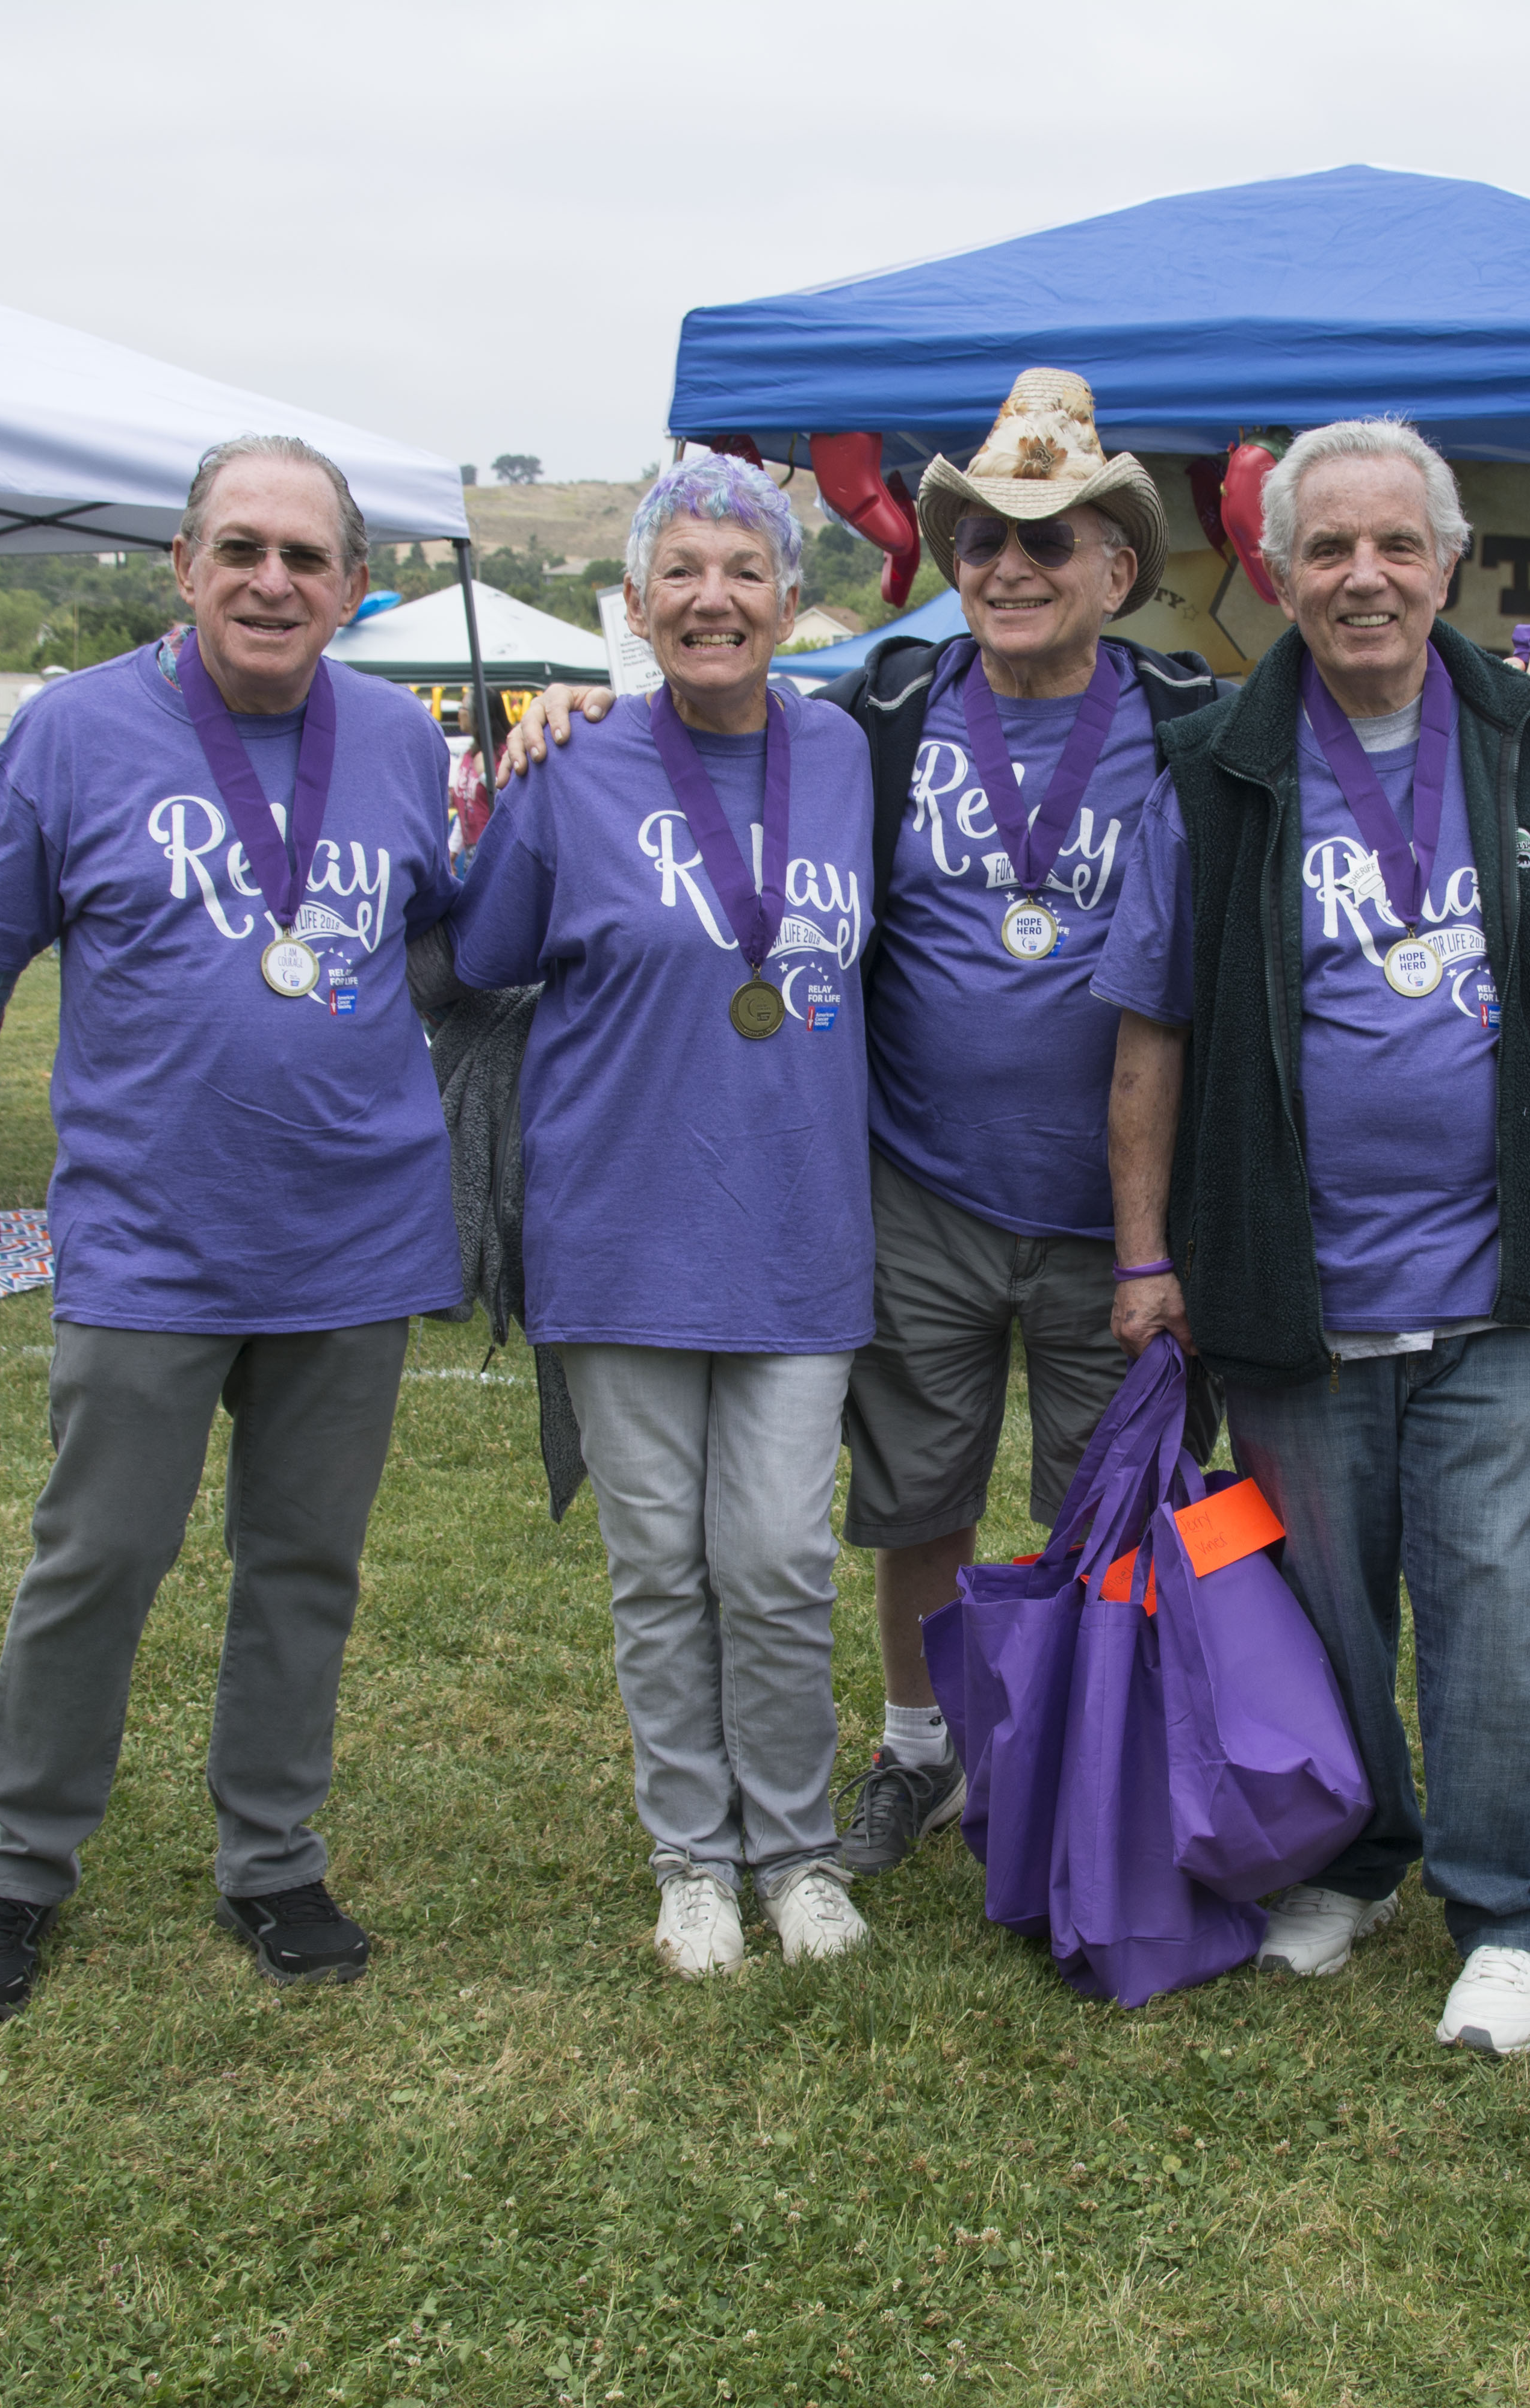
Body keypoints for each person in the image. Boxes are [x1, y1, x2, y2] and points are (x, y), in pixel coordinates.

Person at [504, 391, 1530, 1885]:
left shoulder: (1192, 726)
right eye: (979, 539)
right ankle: (914, 1750)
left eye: (1051, 540)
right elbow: (723, 777)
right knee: (918, 1500)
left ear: (1118, 569)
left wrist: (1525, 665)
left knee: (1118, 1505)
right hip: (921, 1183)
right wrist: (566, 709)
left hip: (1119, 1214)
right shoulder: (876, 720)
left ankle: (1088, 1755)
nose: (1009, 564)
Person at [0, 435, 465, 2022]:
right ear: (182, 566)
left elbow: (463, 958)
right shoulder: (73, 733)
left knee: (305, 1565)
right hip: (153, 1237)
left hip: (355, 1236)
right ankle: (19, 1871)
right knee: (97, 1558)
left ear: (350, 585)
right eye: (241, 549)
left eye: (306, 558)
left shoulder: (399, 740)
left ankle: (273, 1859)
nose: (273, 581)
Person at [1100, 417, 1530, 2057]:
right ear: (1274, 576)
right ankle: (1355, 1856)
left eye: (1399, 545)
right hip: (1296, 1287)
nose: (1366, 577)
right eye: (1328, 549)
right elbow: (1151, 1040)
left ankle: (1515, 1905)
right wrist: (1144, 1254)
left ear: (1451, 564)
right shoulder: (1217, 771)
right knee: (1324, 1614)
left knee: (1496, 1607)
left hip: (1499, 1284)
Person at [448, 453, 881, 1980]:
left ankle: (799, 1851)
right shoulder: (570, 768)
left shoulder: (847, 760)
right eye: (680, 573)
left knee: (775, 1559)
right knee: (657, 1569)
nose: (713, 597)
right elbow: (479, 957)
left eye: (743, 570)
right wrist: (519, 755)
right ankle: (693, 1859)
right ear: (632, 606)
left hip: (801, 1230)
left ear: (787, 600)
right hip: (622, 1226)